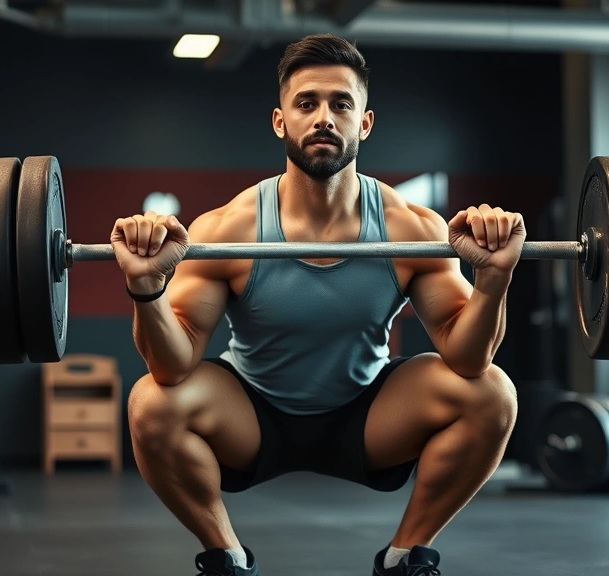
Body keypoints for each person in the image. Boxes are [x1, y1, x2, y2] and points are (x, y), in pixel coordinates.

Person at [111, 33, 523, 576]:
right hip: (252, 414)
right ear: (281, 121)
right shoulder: (228, 229)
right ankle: (226, 558)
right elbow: (171, 364)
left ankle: (405, 558)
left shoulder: (409, 228)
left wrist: (493, 278)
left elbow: (469, 360)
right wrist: (147, 288)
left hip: (369, 415)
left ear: (365, 123)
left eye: (340, 104)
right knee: (150, 403)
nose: (323, 117)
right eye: (307, 103)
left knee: (493, 394)